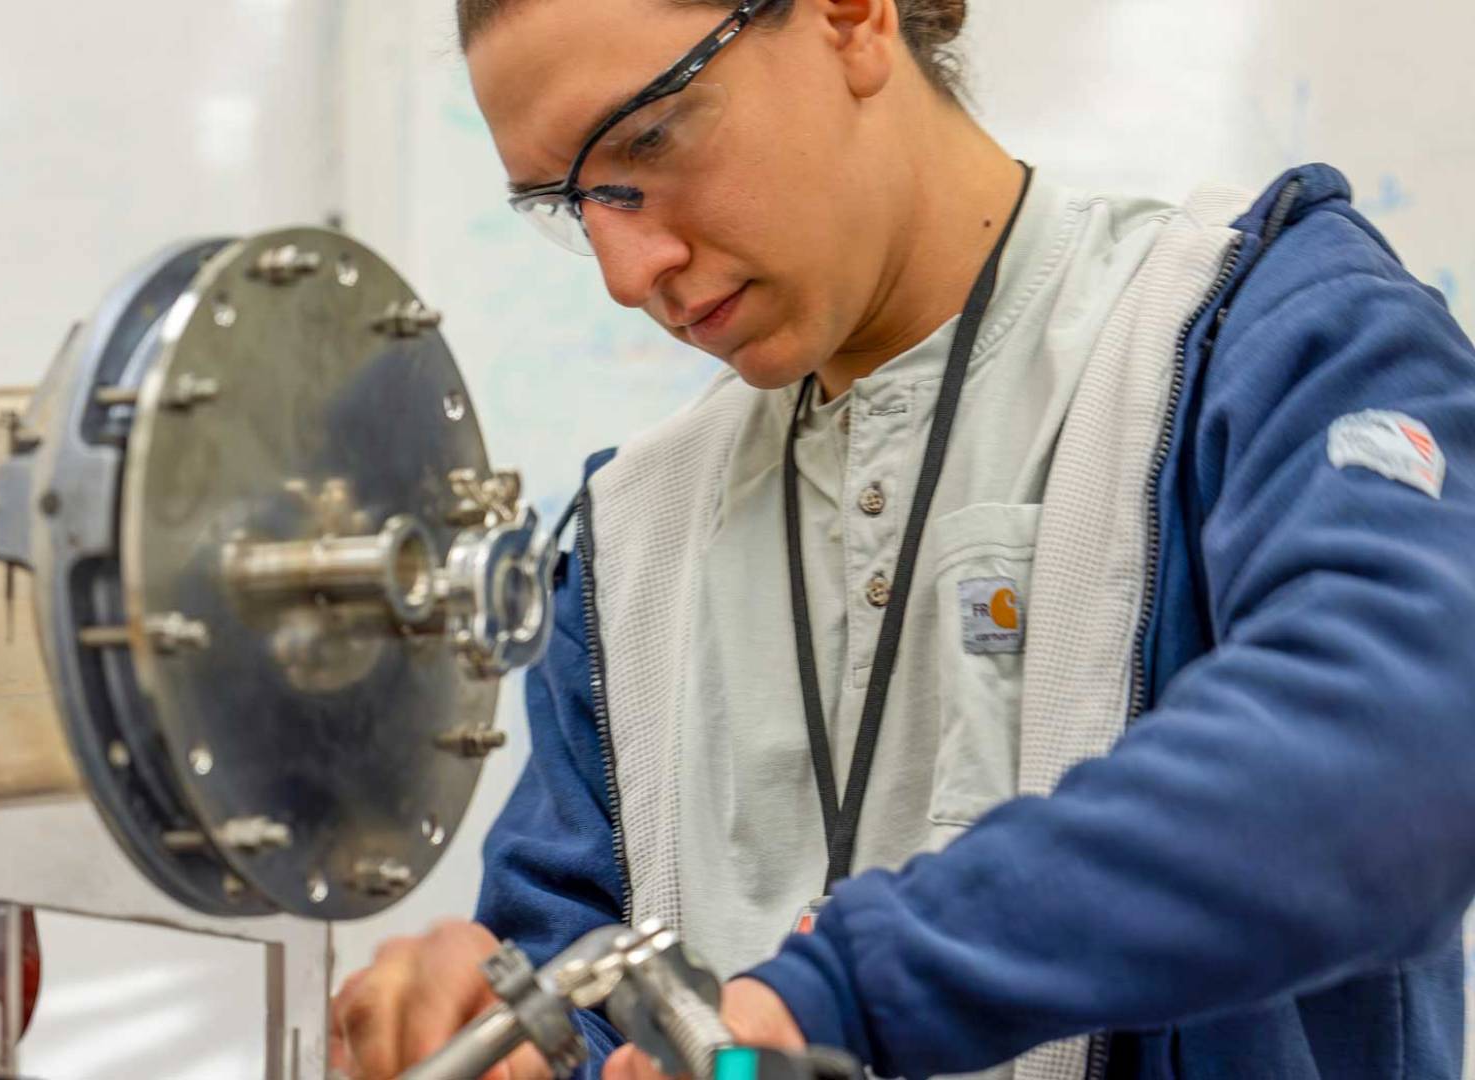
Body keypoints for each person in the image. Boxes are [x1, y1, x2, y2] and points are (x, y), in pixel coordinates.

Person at [329, 1, 1475, 1077]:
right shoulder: (637, 534)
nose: (632, 274)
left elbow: (1402, 759)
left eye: (652, 138)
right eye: (567, 205)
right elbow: (579, 977)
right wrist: (517, 1024)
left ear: (854, 17)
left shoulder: (1253, 334)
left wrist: (837, 991)